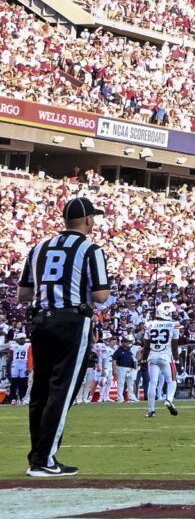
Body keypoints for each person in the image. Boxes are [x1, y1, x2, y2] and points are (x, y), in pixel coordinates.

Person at [16, 194, 114, 477]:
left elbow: (23, 294)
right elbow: (101, 295)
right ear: (88, 220)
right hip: (71, 321)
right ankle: (44, 459)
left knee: (41, 391)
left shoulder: (39, 248)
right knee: (63, 390)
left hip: (40, 321)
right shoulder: (91, 249)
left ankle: (38, 456)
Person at [142, 300, 181, 419]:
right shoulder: (174, 325)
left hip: (152, 357)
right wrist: (177, 360)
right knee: (172, 380)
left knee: (152, 382)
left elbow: (146, 345)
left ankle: (151, 410)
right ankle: (169, 400)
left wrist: (143, 360)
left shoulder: (149, 324)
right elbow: (174, 345)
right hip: (166, 357)